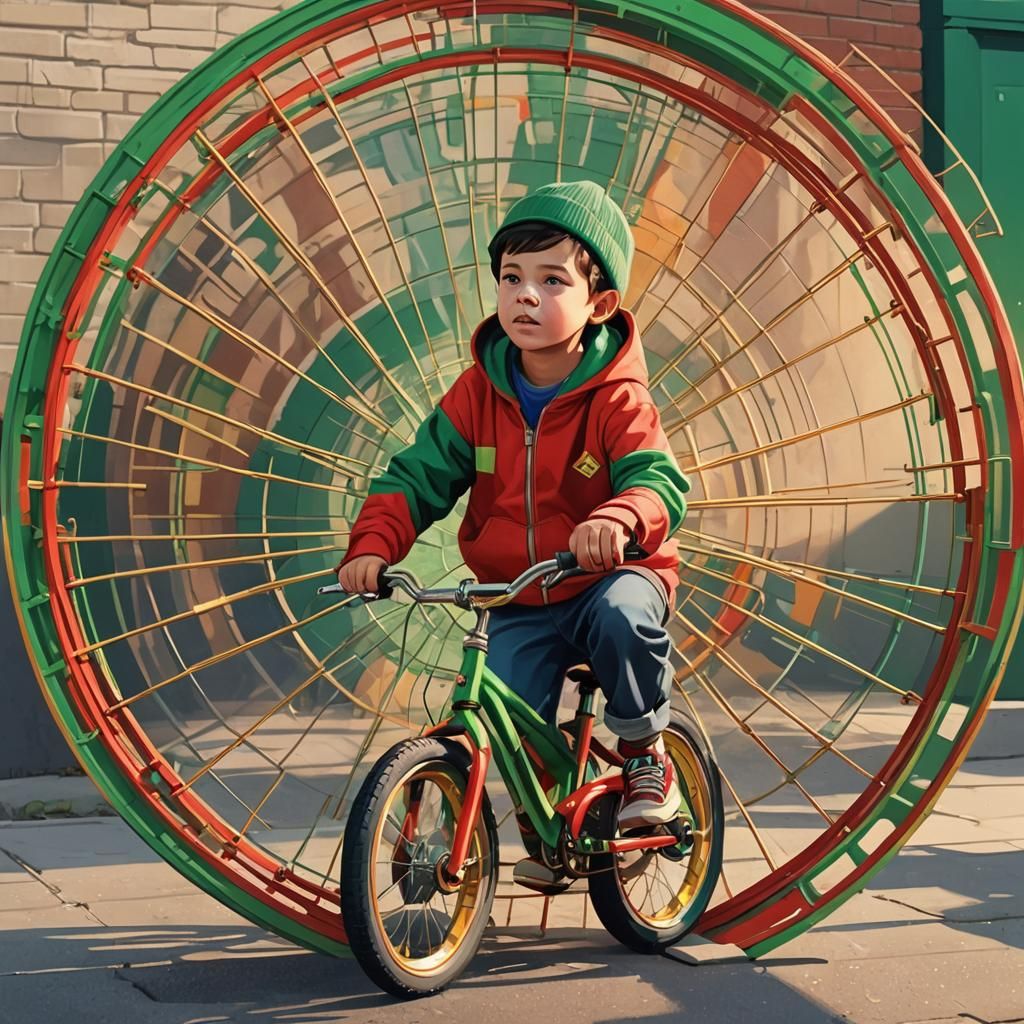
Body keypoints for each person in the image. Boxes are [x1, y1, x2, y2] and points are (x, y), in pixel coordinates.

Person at [336, 180, 690, 893]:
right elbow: (417, 477)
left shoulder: (619, 397)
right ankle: (547, 830)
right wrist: (374, 545)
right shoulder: (478, 394)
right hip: (519, 595)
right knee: (495, 717)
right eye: (511, 278)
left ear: (600, 304)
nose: (525, 295)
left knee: (626, 617)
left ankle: (647, 750)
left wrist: (618, 520)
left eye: (552, 280)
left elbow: (659, 481)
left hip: (604, 576)